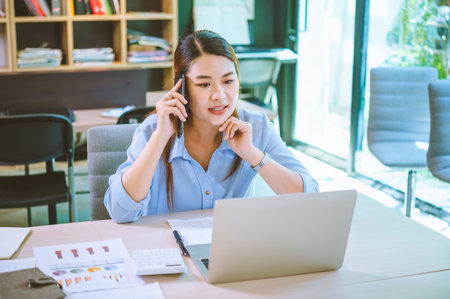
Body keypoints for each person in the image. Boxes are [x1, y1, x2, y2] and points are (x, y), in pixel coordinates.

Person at [105, 30, 319, 223]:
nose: (220, 95)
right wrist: (161, 137)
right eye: (204, 84)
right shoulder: (154, 129)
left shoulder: (257, 125)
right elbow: (120, 212)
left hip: (232, 254)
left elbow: (310, 199)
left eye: (228, 81)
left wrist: (252, 154)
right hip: (169, 252)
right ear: (182, 88)